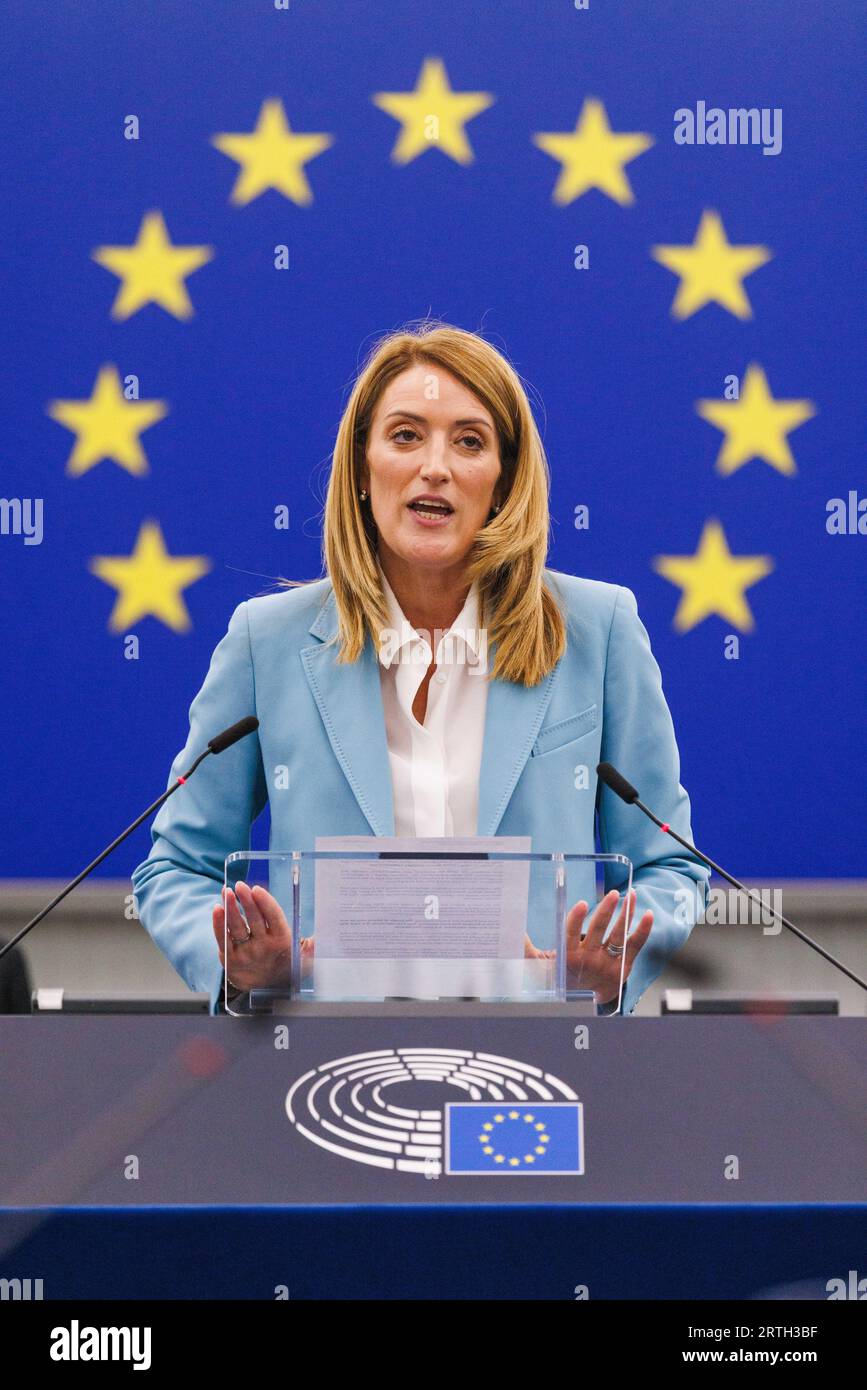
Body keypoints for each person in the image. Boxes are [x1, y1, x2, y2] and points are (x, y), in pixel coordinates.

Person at [132, 321, 708, 1015]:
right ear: (363, 469)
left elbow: (669, 864)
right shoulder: (268, 641)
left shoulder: (598, 629)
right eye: (406, 436)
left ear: (503, 482)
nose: (434, 465)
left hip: (540, 1056)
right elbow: (175, 869)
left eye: (468, 441)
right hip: (316, 1059)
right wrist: (240, 961)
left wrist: (608, 964)